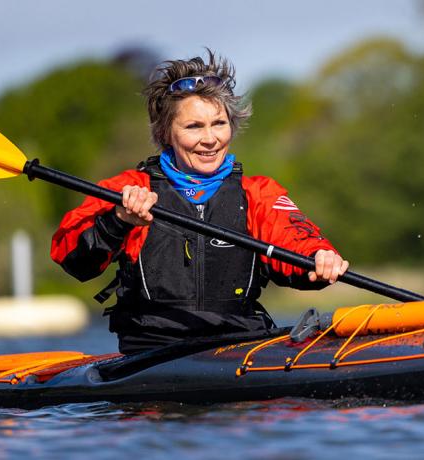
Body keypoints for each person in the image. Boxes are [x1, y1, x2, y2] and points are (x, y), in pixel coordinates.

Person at [51, 51, 348, 354]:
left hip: (239, 347)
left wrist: (320, 257)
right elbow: (71, 257)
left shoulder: (258, 193)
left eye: (219, 123)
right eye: (194, 127)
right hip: (152, 352)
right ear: (166, 132)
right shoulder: (130, 189)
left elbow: (296, 239)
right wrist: (118, 221)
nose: (210, 139)